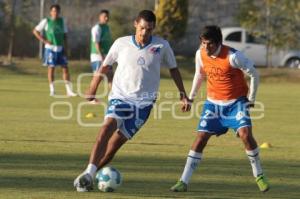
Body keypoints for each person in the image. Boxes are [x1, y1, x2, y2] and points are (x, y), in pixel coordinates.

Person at [73, 10, 190, 192]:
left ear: (153, 29)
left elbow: (174, 69)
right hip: (120, 97)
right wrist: (92, 88)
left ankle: (91, 176)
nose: (145, 33)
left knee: (113, 147)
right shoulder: (121, 43)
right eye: (142, 28)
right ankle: (88, 173)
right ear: (136, 24)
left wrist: (183, 94)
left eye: (149, 30)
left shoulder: (162, 46)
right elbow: (105, 65)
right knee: (106, 129)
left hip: (143, 105)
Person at [170, 25, 270, 193]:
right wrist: (191, 97)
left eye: (209, 44)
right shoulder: (200, 54)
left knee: (245, 135)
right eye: (203, 43)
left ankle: (259, 175)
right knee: (201, 137)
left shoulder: (233, 56)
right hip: (213, 103)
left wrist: (251, 99)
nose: (205, 47)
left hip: (236, 102)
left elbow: (254, 74)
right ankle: (183, 181)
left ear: (218, 43)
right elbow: (199, 74)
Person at [33, 4, 77, 97]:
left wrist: (66, 47)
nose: (55, 13)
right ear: (50, 12)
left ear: (59, 12)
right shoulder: (46, 21)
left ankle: (69, 91)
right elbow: (35, 31)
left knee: (65, 68)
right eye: (53, 11)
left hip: (60, 48)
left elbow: (65, 35)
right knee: (51, 69)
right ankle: (52, 90)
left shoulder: (62, 21)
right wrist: (44, 40)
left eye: (57, 11)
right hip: (50, 49)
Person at [90, 10, 113, 80]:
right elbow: (96, 43)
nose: (106, 18)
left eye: (107, 17)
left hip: (107, 56)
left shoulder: (107, 27)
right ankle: (91, 91)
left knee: (110, 76)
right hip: (97, 56)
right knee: (97, 78)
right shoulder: (97, 28)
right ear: (100, 17)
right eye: (105, 16)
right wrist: (102, 57)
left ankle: (112, 91)